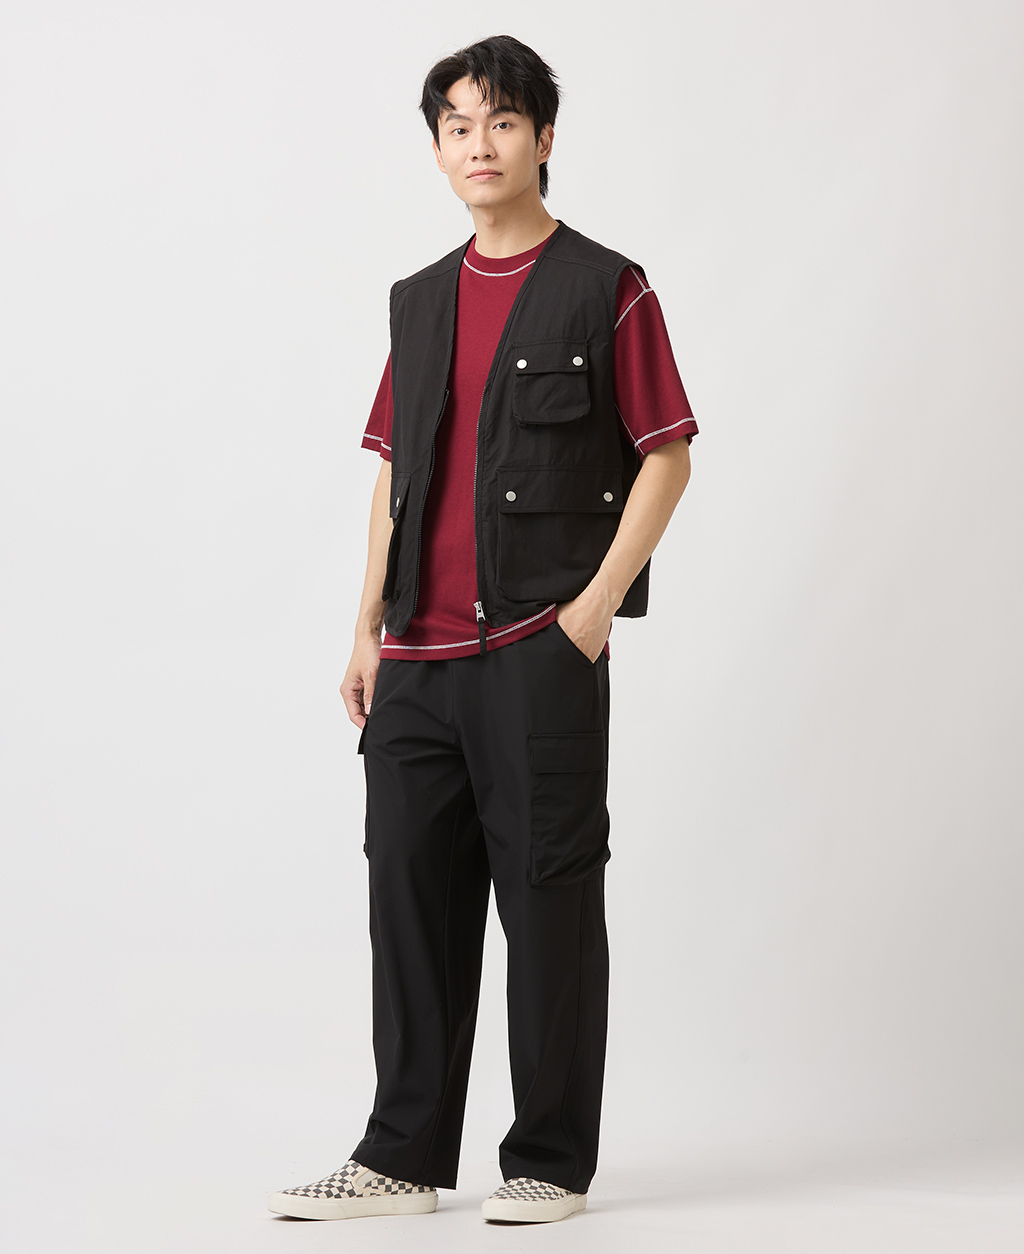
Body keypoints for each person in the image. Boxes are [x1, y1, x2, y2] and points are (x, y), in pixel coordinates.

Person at [268, 33, 698, 1227]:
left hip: (535, 650)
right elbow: (395, 475)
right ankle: (400, 1159)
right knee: (408, 900)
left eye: (501, 121)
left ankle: (548, 1161)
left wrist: (589, 614)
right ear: (437, 148)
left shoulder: (605, 286)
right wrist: (365, 627)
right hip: (415, 658)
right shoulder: (417, 301)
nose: (478, 143)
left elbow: (666, 454)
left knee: (549, 897)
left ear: (543, 138)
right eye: (456, 125)